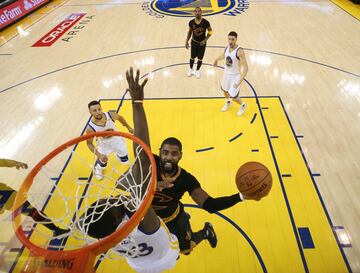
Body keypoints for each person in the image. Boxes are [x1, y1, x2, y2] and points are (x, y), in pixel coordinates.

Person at [85, 67, 179, 273]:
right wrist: (137, 104)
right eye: (108, 203)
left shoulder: (105, 239)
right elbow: (144, 159)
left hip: (138, 265)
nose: (109, 199)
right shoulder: (142, 220)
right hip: (167, 255)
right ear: (119, 218)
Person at [152, 138, 260, 255]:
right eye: (165, 152)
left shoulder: (186, 179)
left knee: (186, 250)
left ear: (180, 156)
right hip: (147, 219)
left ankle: (205, 232)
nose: (168, 157)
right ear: (159, 152)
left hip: (172, 220)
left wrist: (241, 197)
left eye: (174, 154)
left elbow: (210, 205)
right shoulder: (148, 162)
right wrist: (151, 185)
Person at [0, 159, 68, 235]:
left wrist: (17, 163)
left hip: (5, 194)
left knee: (32, 211)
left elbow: (4, 162)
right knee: (32, 212)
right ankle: (56, 230)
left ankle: (55, 230)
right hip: (4, 195)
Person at [86, 100, 134, 180]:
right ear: (90, 112)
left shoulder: (110, 115)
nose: (98, 112)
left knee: (125, 160)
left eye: (99, 109)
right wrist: (99, 155)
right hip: (104, 145)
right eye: (94, 111)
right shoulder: (90, 128)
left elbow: (120, 118)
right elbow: (89, 144)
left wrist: (129, 128)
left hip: (117, 141)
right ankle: (98, 169)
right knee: (102, 163)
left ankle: (118, 154)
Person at [213, 31, 248, 116]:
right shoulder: (227, 47)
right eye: (229, 39)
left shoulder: (239, 51)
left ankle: (243, 105)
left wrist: (239, 81)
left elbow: (246, 68)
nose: (230, 41)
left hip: (235, 76)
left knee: (234, 97)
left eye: (233, 39)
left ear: (236, 39)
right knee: (224, 90)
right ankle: (228, 102)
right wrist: (216, 60)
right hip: (226, 74)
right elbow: (223, 55)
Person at [185, 7, 212, 79]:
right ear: (194, 12)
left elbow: (210, 31)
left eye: (199, 11)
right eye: (196, 11)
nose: (197, 13)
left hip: (202, 44)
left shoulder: (206, 22)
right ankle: (190, 69)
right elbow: (190, 32)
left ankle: (197, 70)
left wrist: (205, 40)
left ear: (201, 12)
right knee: (192, 57)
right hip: (194, 42)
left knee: (200, 58)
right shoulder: (191, 22)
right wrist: (186, 41)